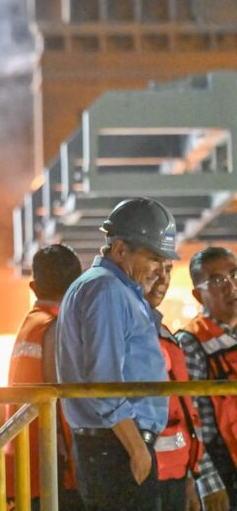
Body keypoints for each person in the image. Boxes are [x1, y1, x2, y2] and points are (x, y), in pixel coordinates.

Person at [57, 197, 177, 511]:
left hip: (113, 444)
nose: (160, 272)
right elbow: (104, 379)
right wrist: (136, 448)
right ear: (121, 250)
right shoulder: (107, 290)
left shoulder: (112, 288)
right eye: (153, 259)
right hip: (116, 448)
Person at [5, 244, 83, 510]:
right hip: (54, 468)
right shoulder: (56, 328)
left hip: (27, 464)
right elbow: (65, 404)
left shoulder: (31, 325)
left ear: (34, 287)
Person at [145, 259, 212, 511]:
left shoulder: (162, 333)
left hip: (175, 473)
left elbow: (185, 411)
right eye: (154, 269)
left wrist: (189, 477)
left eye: (168, 270)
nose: (162, 278)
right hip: (147, 476)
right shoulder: (130, 333)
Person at [176, 247, 237, 511]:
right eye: (217, 280)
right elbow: (190, 420)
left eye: (234, 275)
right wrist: (209, 483)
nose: (231, 286)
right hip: (225, 472)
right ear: (198, 295)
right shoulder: (190, 342)